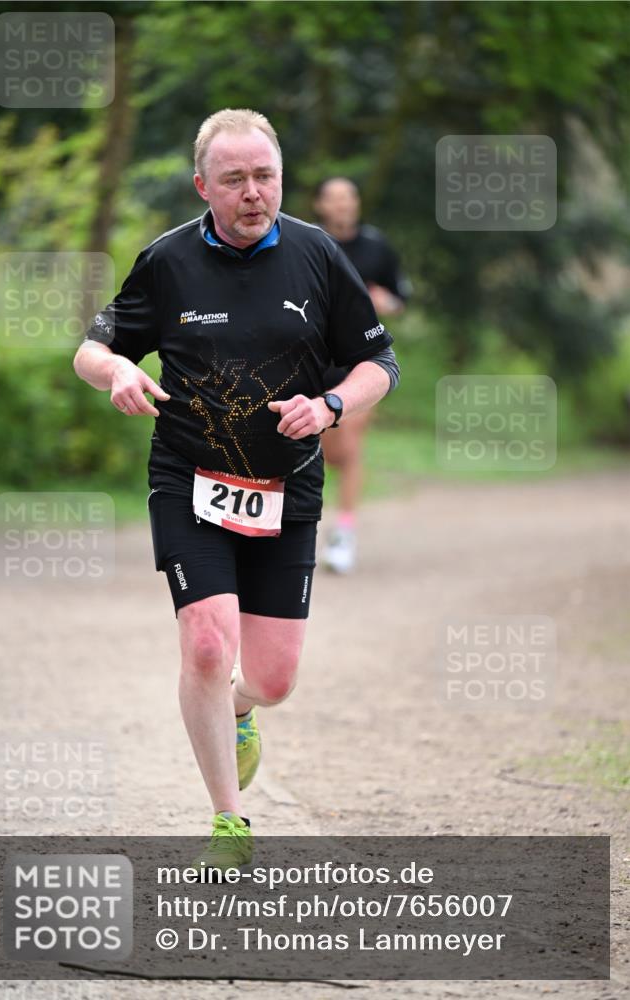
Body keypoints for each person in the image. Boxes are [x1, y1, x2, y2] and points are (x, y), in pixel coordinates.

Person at [73, 110, 400, 871]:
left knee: (275, 678)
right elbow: (92, 348)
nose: (253, 194)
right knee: (208, 641)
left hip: (287, 486)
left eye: (265, 177)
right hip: (188, 478)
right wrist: (120, 369)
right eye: (235, 180)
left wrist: (328, 406)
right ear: (202, 186)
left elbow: (378, 365)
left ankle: (244, 709)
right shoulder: (167, 262)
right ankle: (229, 822)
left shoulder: (319, 258)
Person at [313, 177, 411, 574]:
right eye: (334, 199)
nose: (343, 206)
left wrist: (388, 302)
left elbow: (400, 297)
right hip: (313, 361)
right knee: (321, 449)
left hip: (360, 363)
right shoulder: (307, 243)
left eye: (349, 198)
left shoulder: (376, 247)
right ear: (321, 205)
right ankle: (298, 528)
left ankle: (344, 533)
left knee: (348, 446)